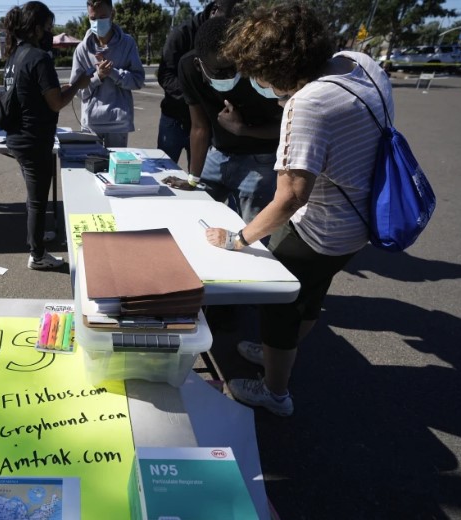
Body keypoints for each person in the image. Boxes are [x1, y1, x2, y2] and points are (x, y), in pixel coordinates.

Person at [205, 2, 394, 416]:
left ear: (278, 68)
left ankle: (275, 392)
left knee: (280, 305)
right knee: (311, 292)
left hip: (319, 230)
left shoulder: (308, 104)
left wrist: (237, 239)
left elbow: (291, 197)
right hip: (360, 223)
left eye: (258, 74)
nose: (258, 82)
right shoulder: (360, 64)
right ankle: (280, 352)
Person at [2, 1, 92, 269]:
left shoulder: (16, 55)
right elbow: (55, 103)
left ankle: (37, 238)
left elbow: (33, 94)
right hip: (33, 140)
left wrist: (58, 88)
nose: (50, 33)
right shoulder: (39, 58)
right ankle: (37, 255)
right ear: (37, 28)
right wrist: (78, 84)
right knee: (37, 200)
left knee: (35, 197)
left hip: (18, 136)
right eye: (49, 27)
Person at [172, 16, 283, 225]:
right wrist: (193, 179)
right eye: (220, 71)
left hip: (260, 160)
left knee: (251, 231)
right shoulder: (188, 68)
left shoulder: (258, 71)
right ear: (199, 65)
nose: (230, 75)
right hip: (219, 153)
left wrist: (242, 129)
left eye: (233, 68)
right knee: (196, 218)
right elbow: (199, 126)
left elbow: (285, 128)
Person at [156, 0, 240, 166]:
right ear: (215, 10)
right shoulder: (181, 34)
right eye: (226, 23)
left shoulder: (231, 36)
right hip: (175, 119)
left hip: (207, 122)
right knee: (163, 170)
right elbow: (165, 75)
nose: (227, 31)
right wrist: (194, 98)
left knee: (198, 175)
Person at [69, 0, 144, 148]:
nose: (97, 22)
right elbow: (77, 91)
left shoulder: (127, 43)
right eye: (93, 18)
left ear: (112, 14)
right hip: (91, 125)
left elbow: (138, 80)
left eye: (102, 17)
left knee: (117, 163)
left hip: (118, 124)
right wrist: (98, 77)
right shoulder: (82, 50)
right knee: (91, 163)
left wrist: (113, 73)